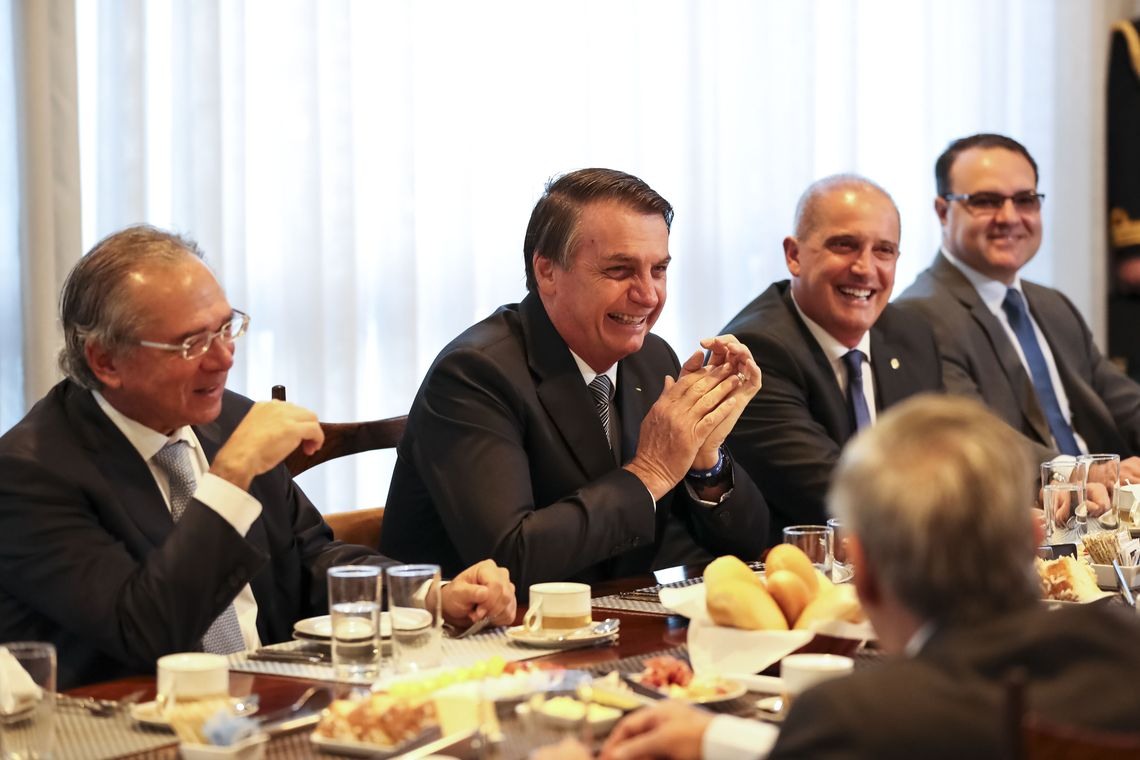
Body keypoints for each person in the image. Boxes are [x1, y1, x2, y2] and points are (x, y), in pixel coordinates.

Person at [0, 226, 516, 689]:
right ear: (105, 361)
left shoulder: (229, 422)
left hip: (268, 705)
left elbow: (310, 561)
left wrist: (429, 595)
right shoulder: (31, 473)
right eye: (191, 343)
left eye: (226, 328)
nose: (225, 357)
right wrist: (230, 477)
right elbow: (143, 632)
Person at [562, 395, 1140, 760]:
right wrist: (715, 741)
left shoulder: (856, 717)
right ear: (1031, 539)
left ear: (861, 572)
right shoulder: (1124, 656)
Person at [382, 168, 770, 588]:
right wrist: (652, 471)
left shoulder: (652, 358)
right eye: (620, 270)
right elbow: (509, 560)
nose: (648, 295)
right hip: (476, 640)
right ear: (547, 271)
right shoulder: (474, 374)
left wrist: (704, 459)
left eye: (658, 270)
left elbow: (750, 544)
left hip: (611, 622)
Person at [896, 133, 1140, 477]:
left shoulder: (1052, 304)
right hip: (1022, 516)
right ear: (942, 211)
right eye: (986, 201)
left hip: (1107, 512)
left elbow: (1123, 401)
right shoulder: (917, 316)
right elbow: (975, 437)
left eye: (1025, 199)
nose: (1009, 217)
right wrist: (1081, 477)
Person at [719, 175, 941, 536]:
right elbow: (838, 492)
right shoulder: (757, 350)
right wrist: (975, 514)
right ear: (794, 255)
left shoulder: (910, 333)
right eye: (844, 245)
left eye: (883, 250)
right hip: (797, 572)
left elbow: (942, 455)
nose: (865, 268)